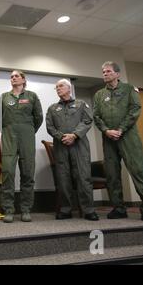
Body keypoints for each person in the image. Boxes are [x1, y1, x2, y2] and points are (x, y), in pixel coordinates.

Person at [93, 61, 143, 221]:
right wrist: (106, 130)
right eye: (103, 72)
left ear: (117, 74)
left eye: (108, 71)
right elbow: (96, 116)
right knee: (112, 175)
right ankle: (119, 208)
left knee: (137, 171)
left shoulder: (128, 89)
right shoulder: (99, 94)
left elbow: (135, 109)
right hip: (108, 139)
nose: (105, 74)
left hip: (128, 137)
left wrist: (120, 129)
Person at [46, 79, 99, 221]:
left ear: (69, 89)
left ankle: (88, 210)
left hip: (79, 145)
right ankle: (66, 209)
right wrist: (62, 136)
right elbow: (50, 127)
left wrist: (74, 135)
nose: (58, 88)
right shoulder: (52, 108)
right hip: (61, 146)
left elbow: (87, 120)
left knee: (83, 177)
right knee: (63, 178)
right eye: (56, 87)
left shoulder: (81, 104)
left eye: (61, 86)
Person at [0, 70, 43, 223]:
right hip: (9, 135)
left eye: (16, 76)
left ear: (23, 79)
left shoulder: (32, 96)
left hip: (27, 136)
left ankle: (25, 209)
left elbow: (38, 117)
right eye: (11, 76)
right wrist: (8, 129)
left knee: (28, 172)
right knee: (8, 172)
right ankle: (9, 209)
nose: (13, 78)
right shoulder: (4, 97)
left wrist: (28, 130)